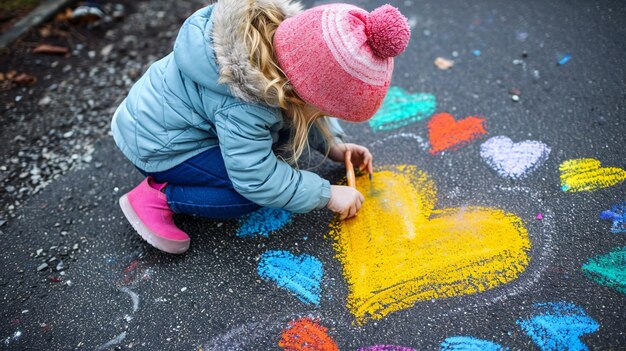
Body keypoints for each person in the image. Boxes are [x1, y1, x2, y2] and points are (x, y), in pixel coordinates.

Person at [110, 0, 410, 254]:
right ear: (308, 90)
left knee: (281, 149)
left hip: (170, 120)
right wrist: (325, 194)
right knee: (249, 195)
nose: (322, 114)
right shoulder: (244, 103)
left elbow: (306, 104)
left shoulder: (286, 54)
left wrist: (333, 146)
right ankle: (158, 196)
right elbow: (255, 178)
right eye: (323, 110)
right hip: (159, 144)